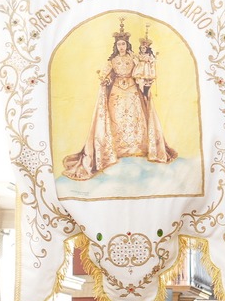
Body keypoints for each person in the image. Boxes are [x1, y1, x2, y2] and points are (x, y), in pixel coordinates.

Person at [61, 20, 179, 181]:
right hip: (116, 91)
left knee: (136, 118)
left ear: (127, 44)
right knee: (116, 118)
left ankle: (137, 148)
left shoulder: (134, 58)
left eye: (123, 44)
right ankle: (115, 150)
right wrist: (106, 80)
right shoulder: (112, 60)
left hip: (132, 90)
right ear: (116, 46)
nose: (121, 47)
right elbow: (106, 75)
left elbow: (141, 70)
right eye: (119, 44)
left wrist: (145, 75)